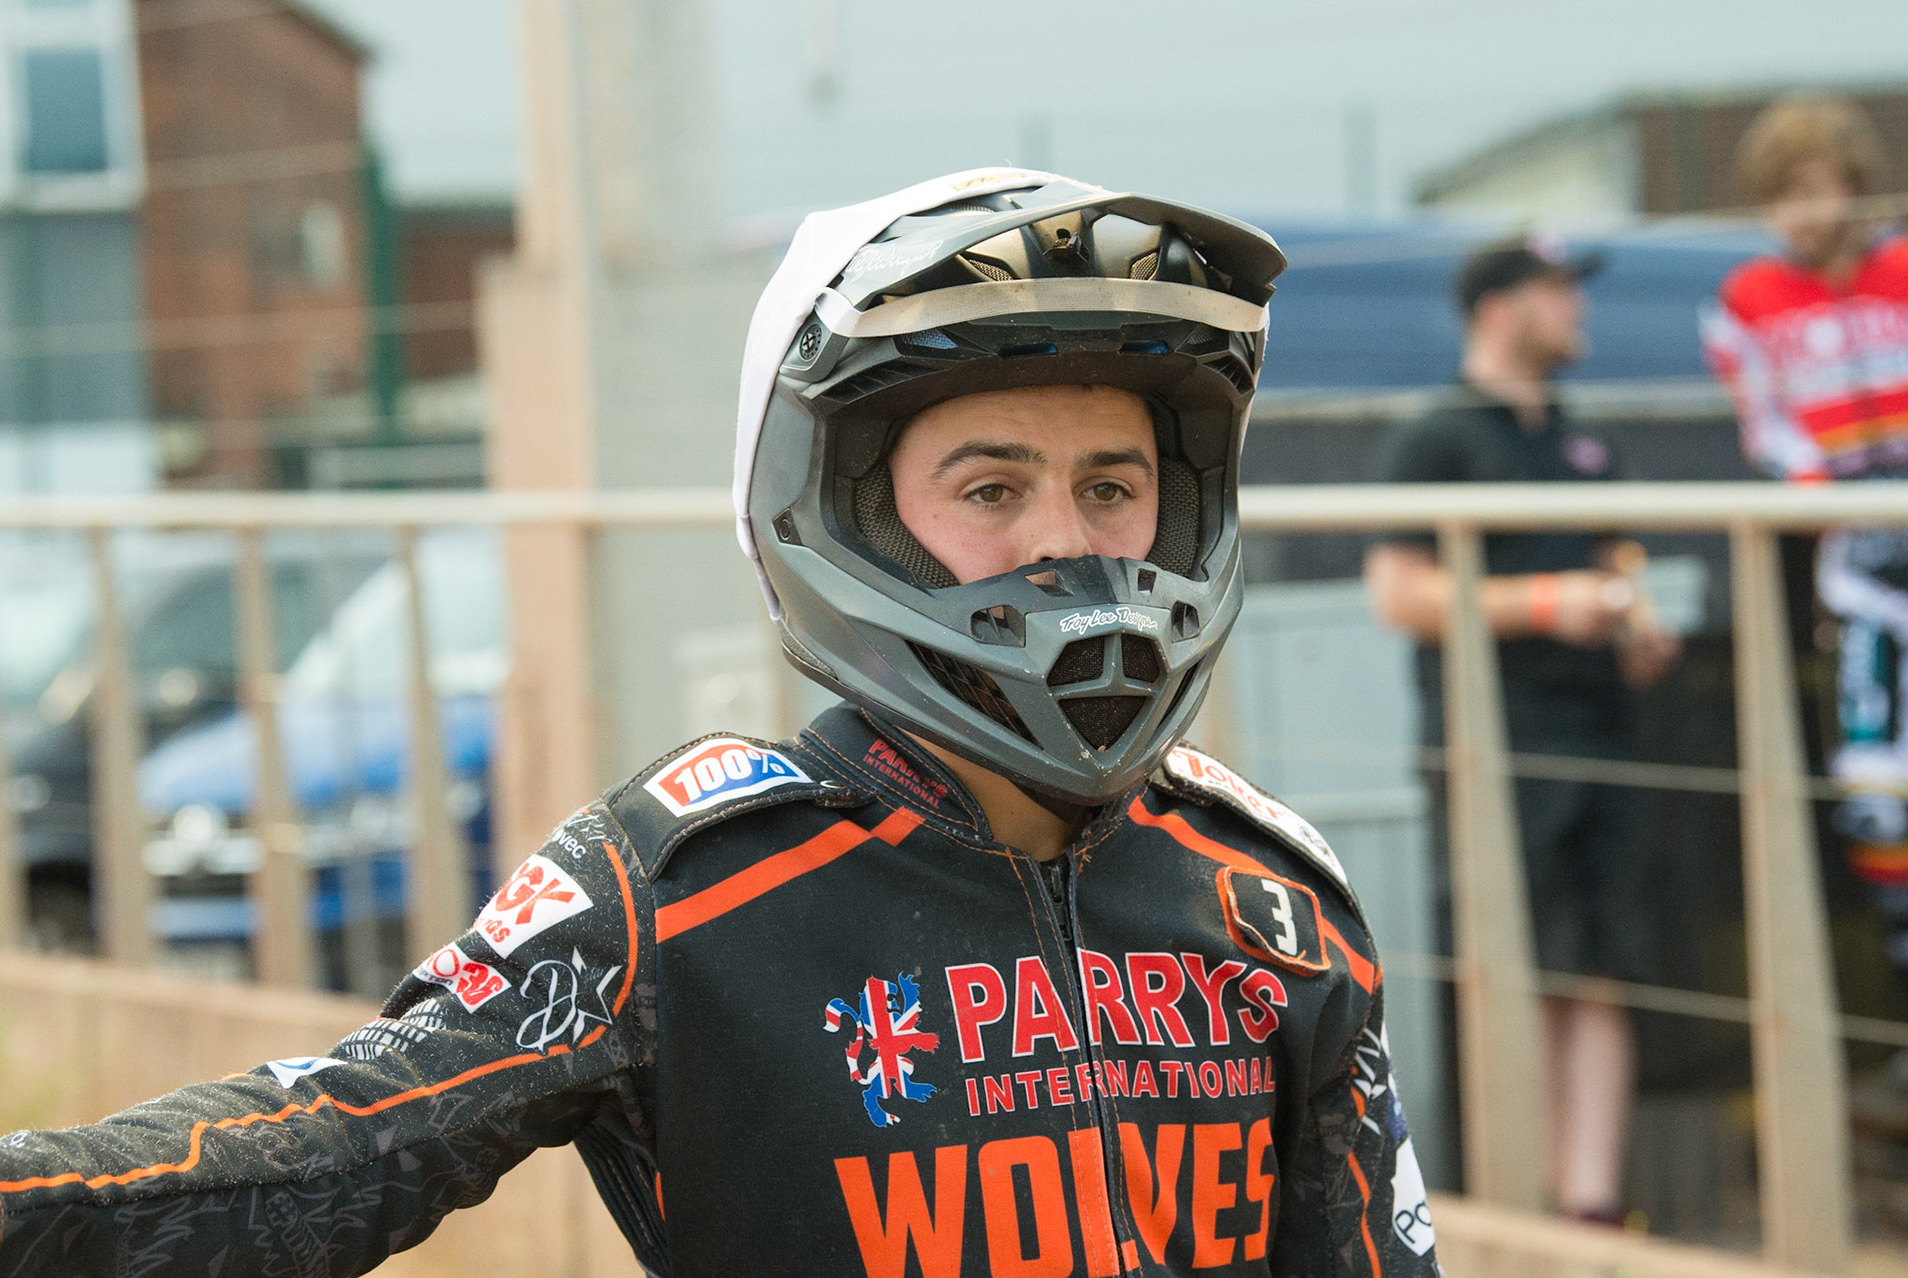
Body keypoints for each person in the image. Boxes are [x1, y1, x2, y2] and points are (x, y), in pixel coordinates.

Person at [0, 170, 1440, 1277]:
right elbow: (327, 1150)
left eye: (1114, 486)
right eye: (992, 488)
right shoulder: (682, 886)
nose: (1069, 544)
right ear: (841, 511)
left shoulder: (1269, 896)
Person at [1364, 235, 1679, 1223]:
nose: (1578, 309)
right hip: (1500, 747)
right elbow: (1399, 592)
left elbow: (1615, 548)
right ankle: (1531, 1215)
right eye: (1555, 291)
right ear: (1498, 309)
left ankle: (1592, 1209)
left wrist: (1633, 614)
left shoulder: (1580, 439)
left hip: (1606, 735)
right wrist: (1547, 602)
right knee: (1522, 967)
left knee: (1600, 970)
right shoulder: (1437, 437)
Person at [1701, 96, 1908, 1014]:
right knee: (1874, 798)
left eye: (1817, 188)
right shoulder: (1742, 300)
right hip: (1857, 569)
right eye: (1782, 194)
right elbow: (1770, 429)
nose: (1803, 211)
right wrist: (1812, 484)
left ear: (1855, 188)